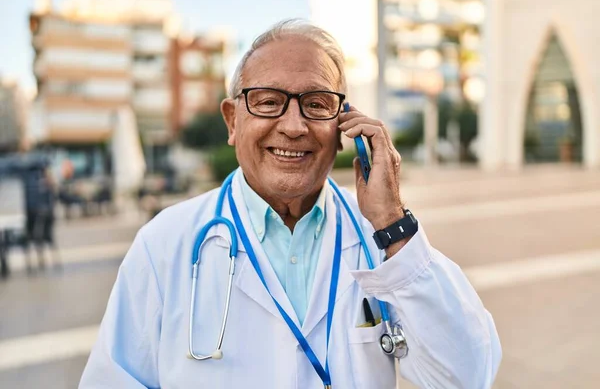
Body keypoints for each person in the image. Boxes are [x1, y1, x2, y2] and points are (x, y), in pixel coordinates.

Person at [80, 20, 501, 388]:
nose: (294, 126)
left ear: (343, 127)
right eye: (267, 101)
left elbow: (468, 375)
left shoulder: (383, 239)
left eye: (316, 105)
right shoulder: (163, 245)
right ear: (232, 120)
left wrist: (393, 223)